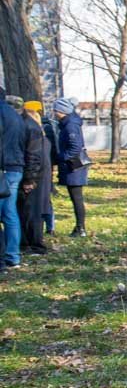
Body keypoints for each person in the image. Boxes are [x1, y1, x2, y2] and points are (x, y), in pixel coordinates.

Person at [1, 89, 41, 270]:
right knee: (10, 214)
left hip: (3, 169)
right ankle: (13, 256)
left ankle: (3, 259)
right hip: (15, 168)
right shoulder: (18, 117)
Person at [18, 100, 51, 255]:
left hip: (35, 175)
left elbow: (32, 155)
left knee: (31, 210)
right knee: (31, 210)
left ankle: (35, 244)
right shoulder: (37, 128)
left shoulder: (30, 128)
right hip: (40, 174)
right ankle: (30, 243)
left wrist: (30, 178)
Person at [52, 98, 88, 237]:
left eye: (56, 110)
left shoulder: (70, 126)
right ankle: (80, 227)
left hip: (74, 167)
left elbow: (75, 147)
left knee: (77, 198)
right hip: (72, 166)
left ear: (62, 111)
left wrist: (60, 158)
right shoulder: (69, 123)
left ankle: (81, 228)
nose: (54, 113)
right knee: (76, 197)